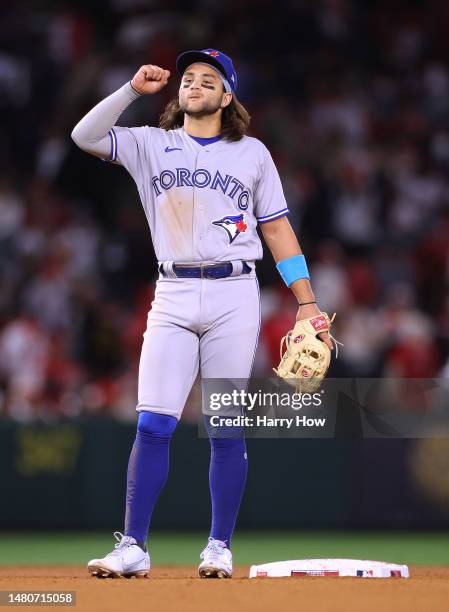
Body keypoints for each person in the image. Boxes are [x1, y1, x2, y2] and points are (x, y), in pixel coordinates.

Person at [71, 48, 332, 579]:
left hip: (234, 294)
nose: (194, 84)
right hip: (172, 291)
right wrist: (129, 91)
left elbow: (278, 231)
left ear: (227, 95)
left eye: (208, 79)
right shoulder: (150, 144)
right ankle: (134, 547)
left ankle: (218, 546)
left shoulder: (253, 154)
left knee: (225, 427)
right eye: (188, 77)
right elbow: (84, 136)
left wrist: (307, 301)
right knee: (152, 422)